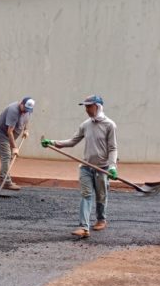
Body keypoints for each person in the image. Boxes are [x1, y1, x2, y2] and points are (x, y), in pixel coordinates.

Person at [41, 94, 118, 238]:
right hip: (86, 167)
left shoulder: (110, 125)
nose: (87, 109)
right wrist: (52, 142)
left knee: (101, 195)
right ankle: (84, 227)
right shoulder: (85, 125)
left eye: (89, 106)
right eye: (86, 107)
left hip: (102, 168)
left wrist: (113, 166)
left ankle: (101, 219)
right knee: (86, 195)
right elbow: (72, 141)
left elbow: (113, 148)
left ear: (98, 106)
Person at [0, 97, 35, 191]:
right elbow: (9, 131)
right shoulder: (13, 111)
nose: (25, 112)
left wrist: (26, 129)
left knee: (9, 157)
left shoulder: (27, 110)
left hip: (10, 136)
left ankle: (4, 178)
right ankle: (6, 182)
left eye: (28, 110)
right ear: (21, 104)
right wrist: (14, 147)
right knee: (6, 156)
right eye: (25, 109)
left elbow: (27, 118)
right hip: (1, 134)